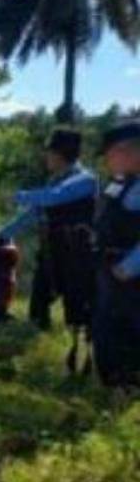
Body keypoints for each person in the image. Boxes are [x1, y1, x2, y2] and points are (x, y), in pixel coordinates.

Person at [0, 129, 99, 333]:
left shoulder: (85, 180)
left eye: (49, 153)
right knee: (38, 308)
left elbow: (55, 196)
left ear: (60, 155)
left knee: (77, 314)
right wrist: (3, 233)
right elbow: (34, 214)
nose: (46, 157)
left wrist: (18, 196)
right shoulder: (53, 181)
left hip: (77, 256)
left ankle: (77, 353)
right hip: (51, 253)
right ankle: (35, 346)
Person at [92, 121, 140, 388]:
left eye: (108, 155)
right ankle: (114, 392)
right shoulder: (120, 184)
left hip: (131, 278)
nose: (107, 162)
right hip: (111, 275)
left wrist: (129, 267)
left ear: (127, 152)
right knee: (108, 337)